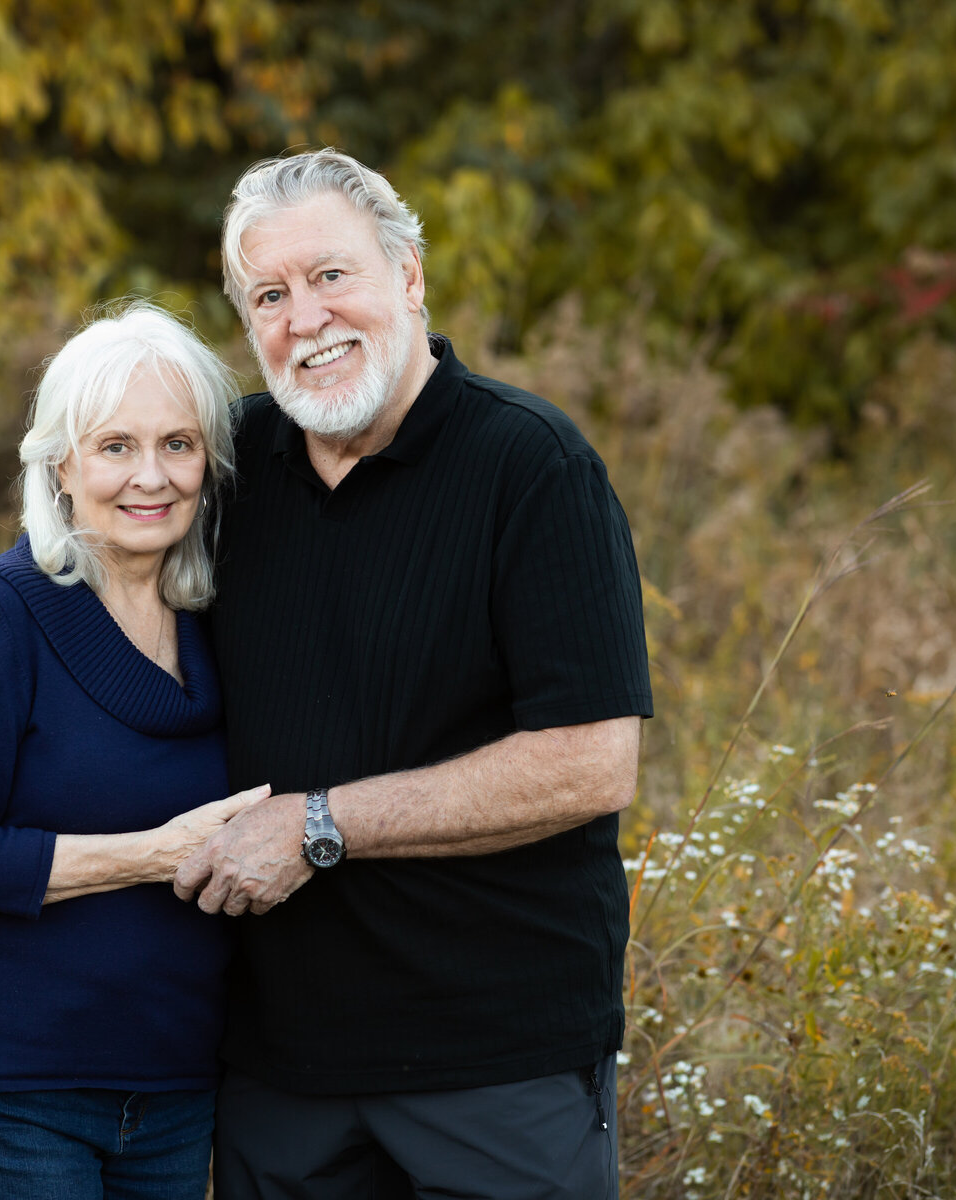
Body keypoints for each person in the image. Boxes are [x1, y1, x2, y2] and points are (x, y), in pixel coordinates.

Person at [174, 150, 654, 1199]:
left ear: (409, 277)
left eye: (332, 275)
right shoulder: (230, 470)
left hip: (496, 1067)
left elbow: (589, 763)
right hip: (277, 1072)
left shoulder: (532, 468)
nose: (306, 318)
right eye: (270, 294)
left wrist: (319, 824)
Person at [0, 302, 266, 1200]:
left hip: (175, 1085)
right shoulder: (2, 613)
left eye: (178, 444)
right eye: (115, 446)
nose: (151, 477)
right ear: (61, 463)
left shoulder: (219, 620)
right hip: (14, 1084)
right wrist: (152, 855)